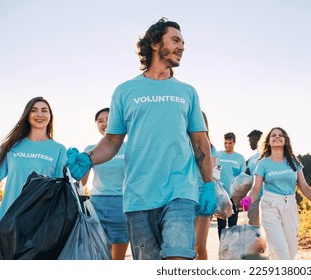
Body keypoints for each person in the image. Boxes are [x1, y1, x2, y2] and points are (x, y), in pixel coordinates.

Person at [66, 18, 216, 260]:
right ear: (156, 43)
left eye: (183, 43)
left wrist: (208, 184)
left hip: (180, 192)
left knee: (178, 260)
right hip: (138, 196)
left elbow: (200, 142)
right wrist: (88, 158)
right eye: (175, 40)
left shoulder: (187, 92)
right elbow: (112, 141)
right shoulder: (125, 91)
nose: (182, 47)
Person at [240, 127, 311, 260]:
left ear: (285, 140)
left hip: (290, 205)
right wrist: (248, 199)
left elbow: (304, 186)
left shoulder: (294, 162)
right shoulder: (263, 164)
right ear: (268, 141)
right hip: (270, 205)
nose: (277, 137)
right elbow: (255, 188)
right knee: (280, 250)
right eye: (273, 135)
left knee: (291, 250)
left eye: (280, 135)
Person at [0, 97, 67, 239]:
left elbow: (61, 187)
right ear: (27, 115)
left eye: (44, 110)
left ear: (50, 116)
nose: (40, 114)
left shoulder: (59, 150)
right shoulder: (11, 146)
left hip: (40, 221)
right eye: (34, 110)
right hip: (10, 219)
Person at [80, 107, 129, 260]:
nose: (105, 123)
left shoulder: (130, 147)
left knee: (117, 259)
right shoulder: (90, 150)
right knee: (99, 256)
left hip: (124, 207)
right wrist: (77, 164)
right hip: (97, 206)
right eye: (100, 121)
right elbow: (82, 182)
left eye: (109, 119)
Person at [194, 111, 220, 260]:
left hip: (203, 195)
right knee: (185, 245)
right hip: (182, 196)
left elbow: (212, 174)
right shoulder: (181, 144)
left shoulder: (211, 148)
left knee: (199, 245)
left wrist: (209, 192)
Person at [217, 132, 246, 238]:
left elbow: (243, 178)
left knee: (232, 224)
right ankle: (223, 248)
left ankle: (231, 248)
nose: (227, 145)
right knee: (221, 224)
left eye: (230, 143)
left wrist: (243, 195)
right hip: (221, 195)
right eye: (225, 143)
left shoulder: (240, 158)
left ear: (234, 143)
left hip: (234, 195)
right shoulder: (218, 155)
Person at [245, 129, 263, 226]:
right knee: (254, 228)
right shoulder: (252, 158)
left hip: (268, 198)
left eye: (251, 141)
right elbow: (245, 177)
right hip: (254, 199)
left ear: (258, 140)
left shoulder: (269, 155)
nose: (250, 143)